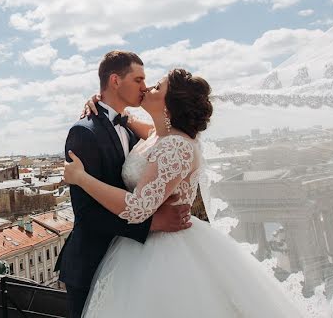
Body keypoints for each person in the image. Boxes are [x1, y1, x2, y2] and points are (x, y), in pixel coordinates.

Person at [65, 68, 308, 317]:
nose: (147, 88)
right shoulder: (157, 136)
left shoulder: (176, 146)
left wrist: (81, 178)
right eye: (144, 82)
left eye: (157, 87)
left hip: (163, 252)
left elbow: (137, 207)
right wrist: (100, 103)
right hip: (138, 246)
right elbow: (127, 122)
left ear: (170, 106)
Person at [57, 51, 194, 318]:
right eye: (139, 79)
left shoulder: (134, 129)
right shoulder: (84, 132)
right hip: (92, 262)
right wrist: (151, 223)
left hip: (132, 261)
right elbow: (86, 213)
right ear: (115, 81)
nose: (144, 86)